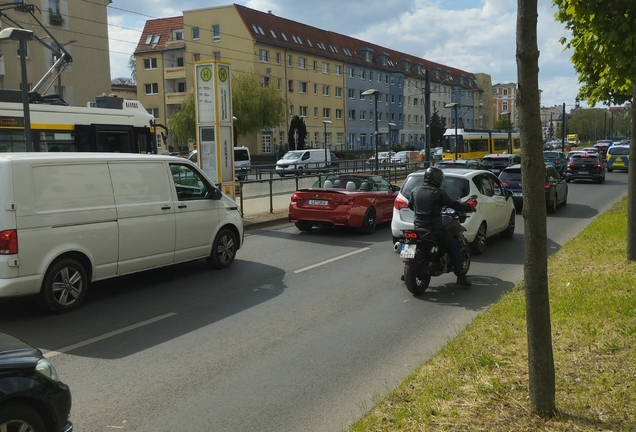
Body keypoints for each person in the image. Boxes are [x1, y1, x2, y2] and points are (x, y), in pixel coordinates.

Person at [408, 167, 476, 287]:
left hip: (418, 226)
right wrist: (468, 207)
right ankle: (461, 276)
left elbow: (410, 205)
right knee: (454, 246)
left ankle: (407, 274)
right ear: (438, 179)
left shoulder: (415, 190)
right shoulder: (438, 193)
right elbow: (453, 204)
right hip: (435, 228)